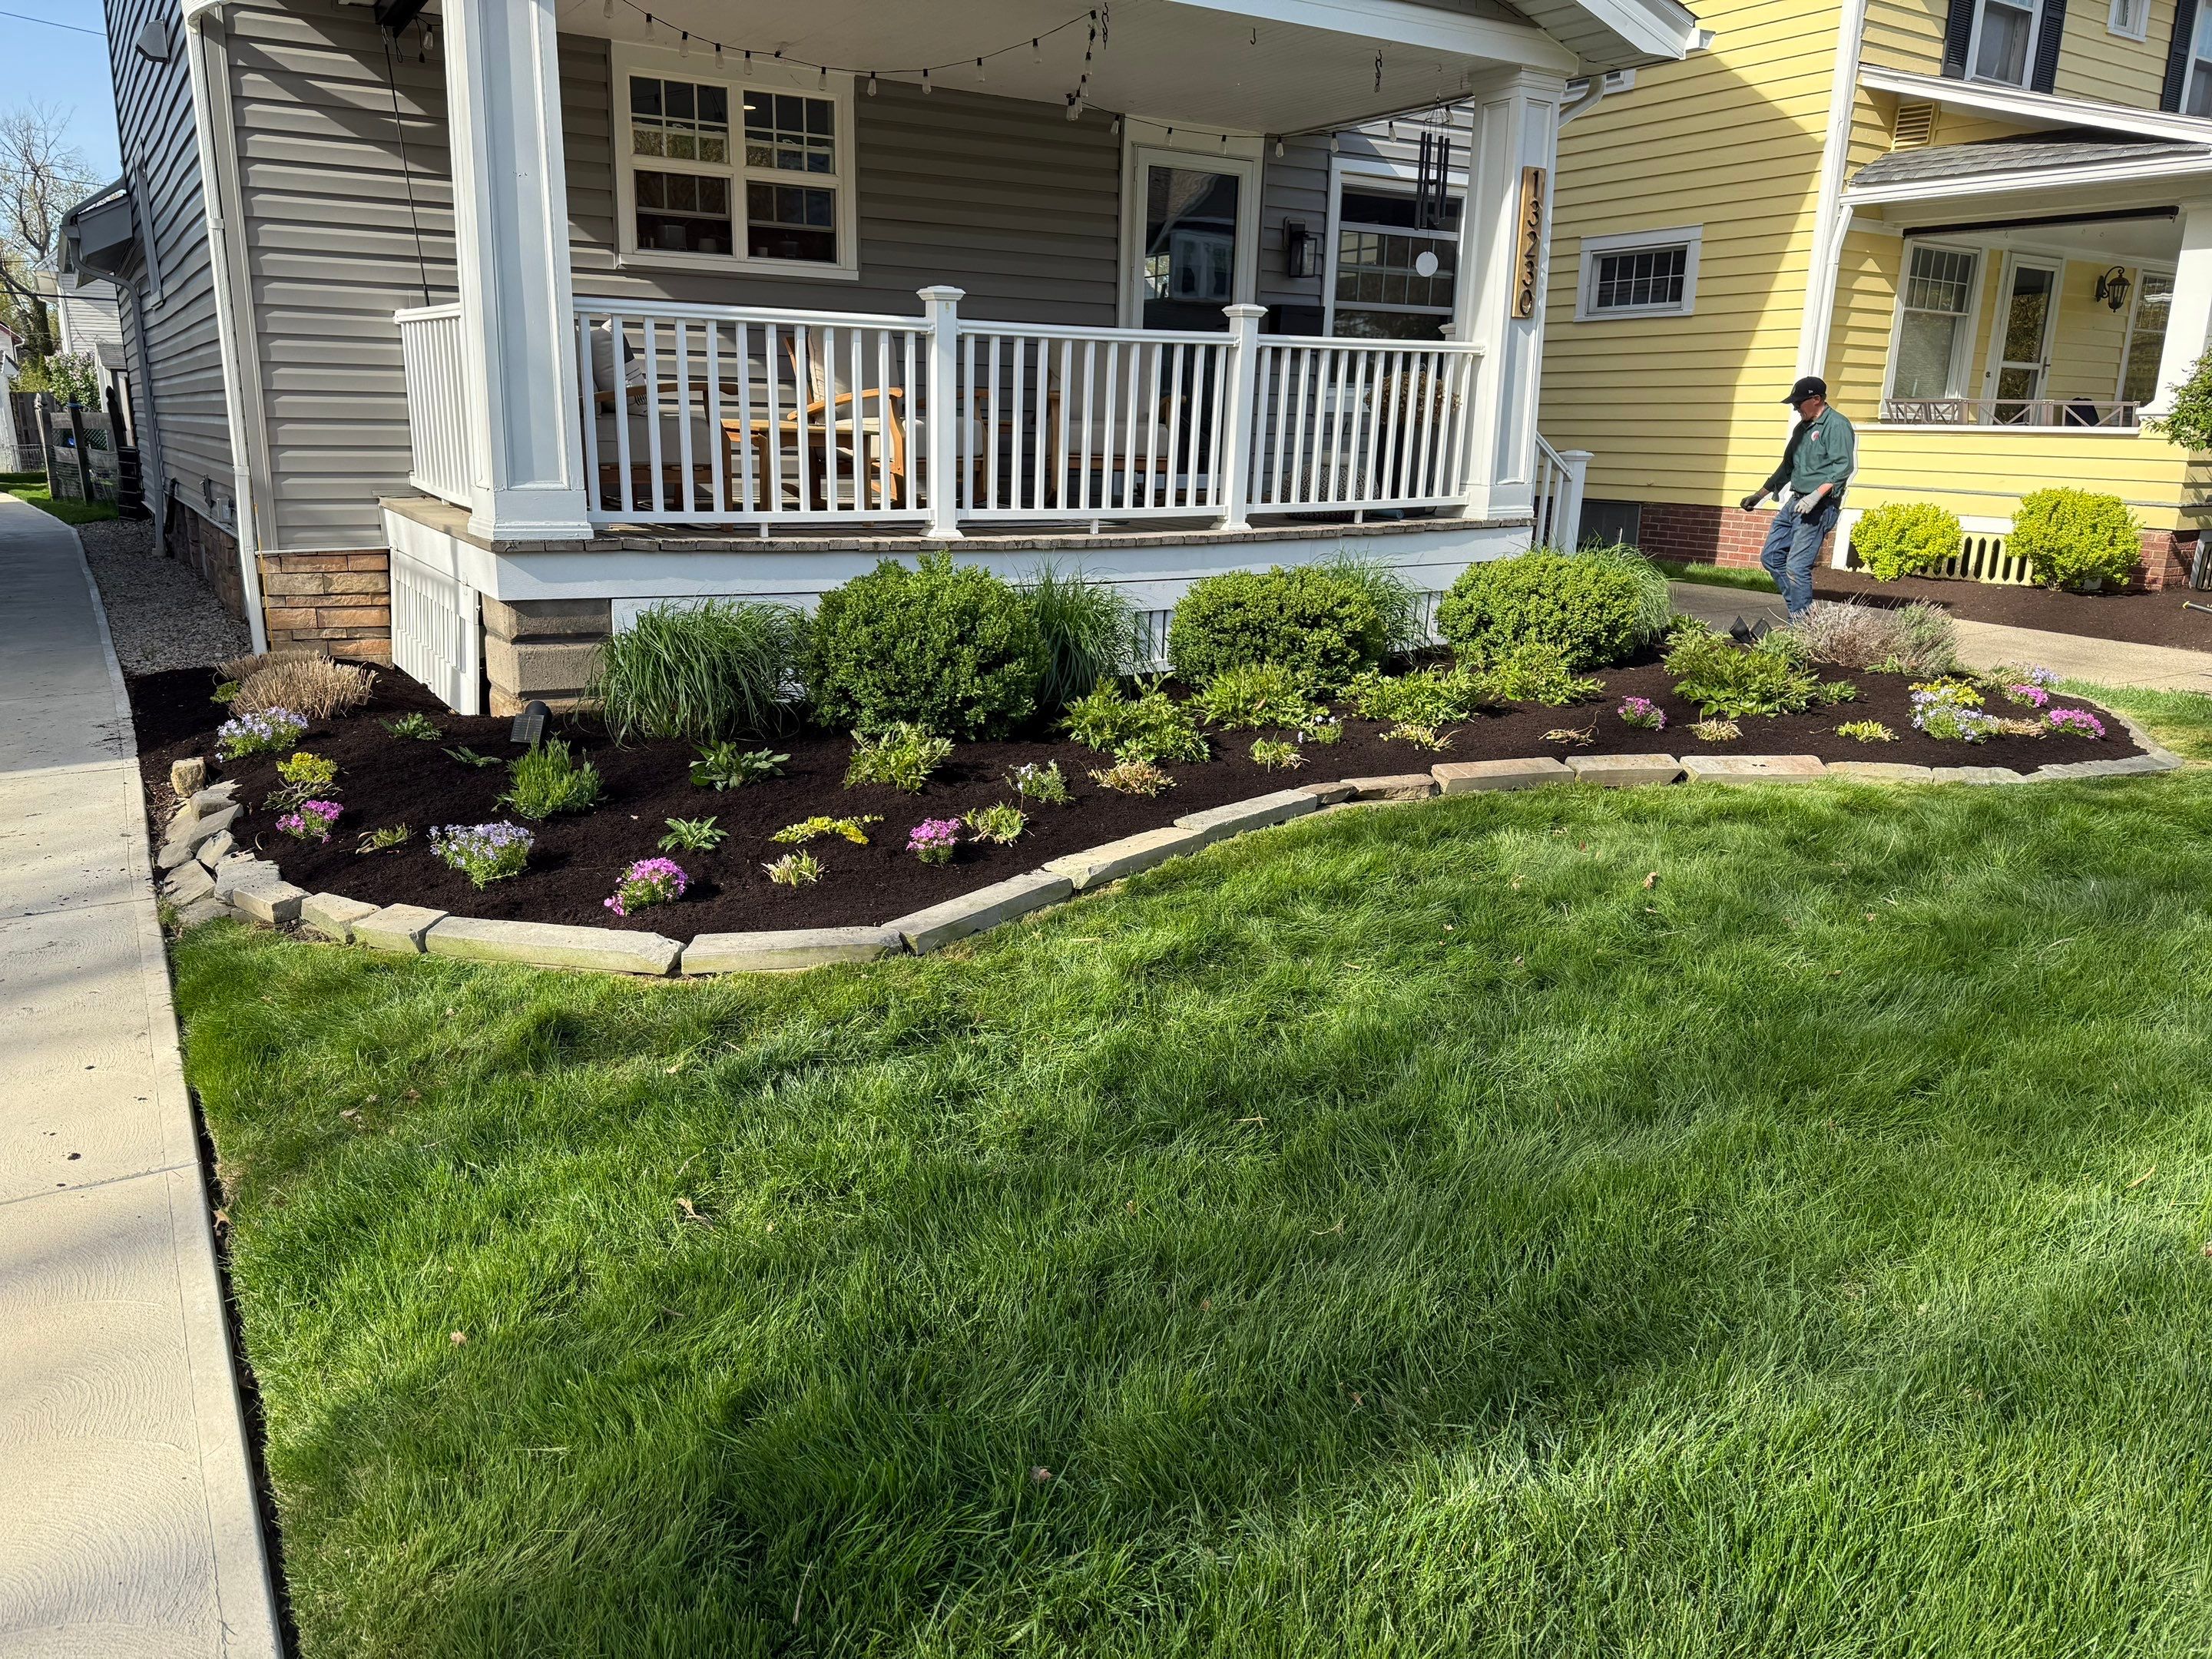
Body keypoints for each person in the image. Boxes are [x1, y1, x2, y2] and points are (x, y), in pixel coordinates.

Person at [1738, 376, 1855, 620]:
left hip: (1819, 506)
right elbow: (1787, 467)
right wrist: (1760, 494)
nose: (1795, 408)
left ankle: (1802, 628)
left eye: (1798, 403)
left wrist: (1816, 495)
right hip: (1796, 502)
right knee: (1771, 556)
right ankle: (1802, 614)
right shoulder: (1801, 429)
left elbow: (1843, 467)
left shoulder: (1837, 425)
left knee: (1796, 566)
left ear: (1816, 399)